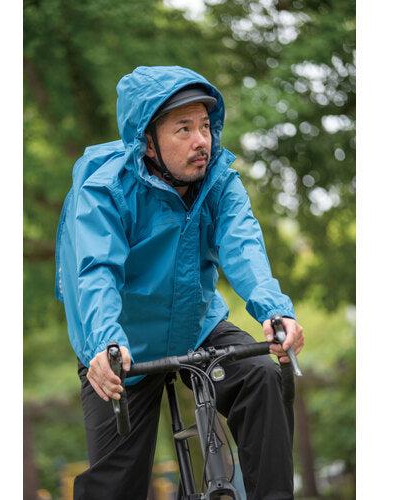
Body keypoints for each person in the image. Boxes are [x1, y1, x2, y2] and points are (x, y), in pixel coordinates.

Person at [55, 65, 305, 500]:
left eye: (205, 126)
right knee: (114, 486)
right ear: (147, 141)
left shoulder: (220, 180)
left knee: (263, 377)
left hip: (194, 324)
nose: (201, 140)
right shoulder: (104, 190)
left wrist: (274, 311)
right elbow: (96, 273)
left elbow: (243, 246)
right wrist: (104, 343)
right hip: (119, 342)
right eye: (183, 128)